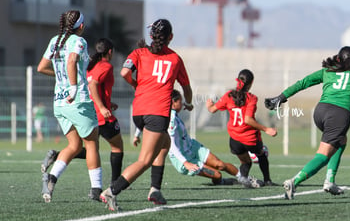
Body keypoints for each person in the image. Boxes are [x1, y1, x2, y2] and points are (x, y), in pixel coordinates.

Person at [264, 46, 350, 200]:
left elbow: (303, 83)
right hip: (339, 116)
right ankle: (294, 182)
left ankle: (330, 182)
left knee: (341, 141)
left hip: (320, 112)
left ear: (338, 59)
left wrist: (280, 97)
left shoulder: (328, 70)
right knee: (323, 155)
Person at [100, 19, 193, 211]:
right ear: (171, 37)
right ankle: (111, 191)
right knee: (144, 161)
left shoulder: (139, 53)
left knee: (165, 143)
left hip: (139, 111)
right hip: (157, 113)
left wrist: (136, 85)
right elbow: (186, 87)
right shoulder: (175, 59)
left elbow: (125, 72)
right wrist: (189, 103)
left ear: (151, 36)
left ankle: (155, 190)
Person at [40, 38, 125, 201]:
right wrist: (101, 107)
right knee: (113, 147)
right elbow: (92, 85)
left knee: (78, 146)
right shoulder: (104, 65)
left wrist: (106, 103)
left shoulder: (89, 65)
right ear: (110, 52)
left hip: (67, 105)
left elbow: (88, 82)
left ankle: (54, 168)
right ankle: (110, 185)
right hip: (94, 112)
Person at [37, 10, 102, 203]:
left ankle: (51, 178)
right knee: (92, 145)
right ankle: (96, 190)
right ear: (80, 26)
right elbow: (72, 60)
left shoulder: (54, 41)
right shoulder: (79, 41)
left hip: (59, 101)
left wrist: (63, 79)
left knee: (74, 145)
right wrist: (73, 87)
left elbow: (41, 67)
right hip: (78, 100)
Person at [206, 69, 278, 188]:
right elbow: (248, 120)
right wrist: (266, 129)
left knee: (246, 161)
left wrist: (209, 105)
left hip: (235, 140)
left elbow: (212, 109)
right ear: (250, 84)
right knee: (262, 154)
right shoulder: (252, 98)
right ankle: (267, 181)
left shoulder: (228, 95)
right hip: (250, 139)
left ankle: (243, 180)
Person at [168, 89, 241, 184]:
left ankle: (244, 178)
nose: (182, 104)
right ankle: (221, 182)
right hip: (183, 158)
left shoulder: (174, 114)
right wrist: (186, 163)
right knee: (217, 175)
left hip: (192, 147)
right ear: (173, 102)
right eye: (180, 102)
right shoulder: (171, 119)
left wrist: (189, 105)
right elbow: (171, 145)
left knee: (220, 165)